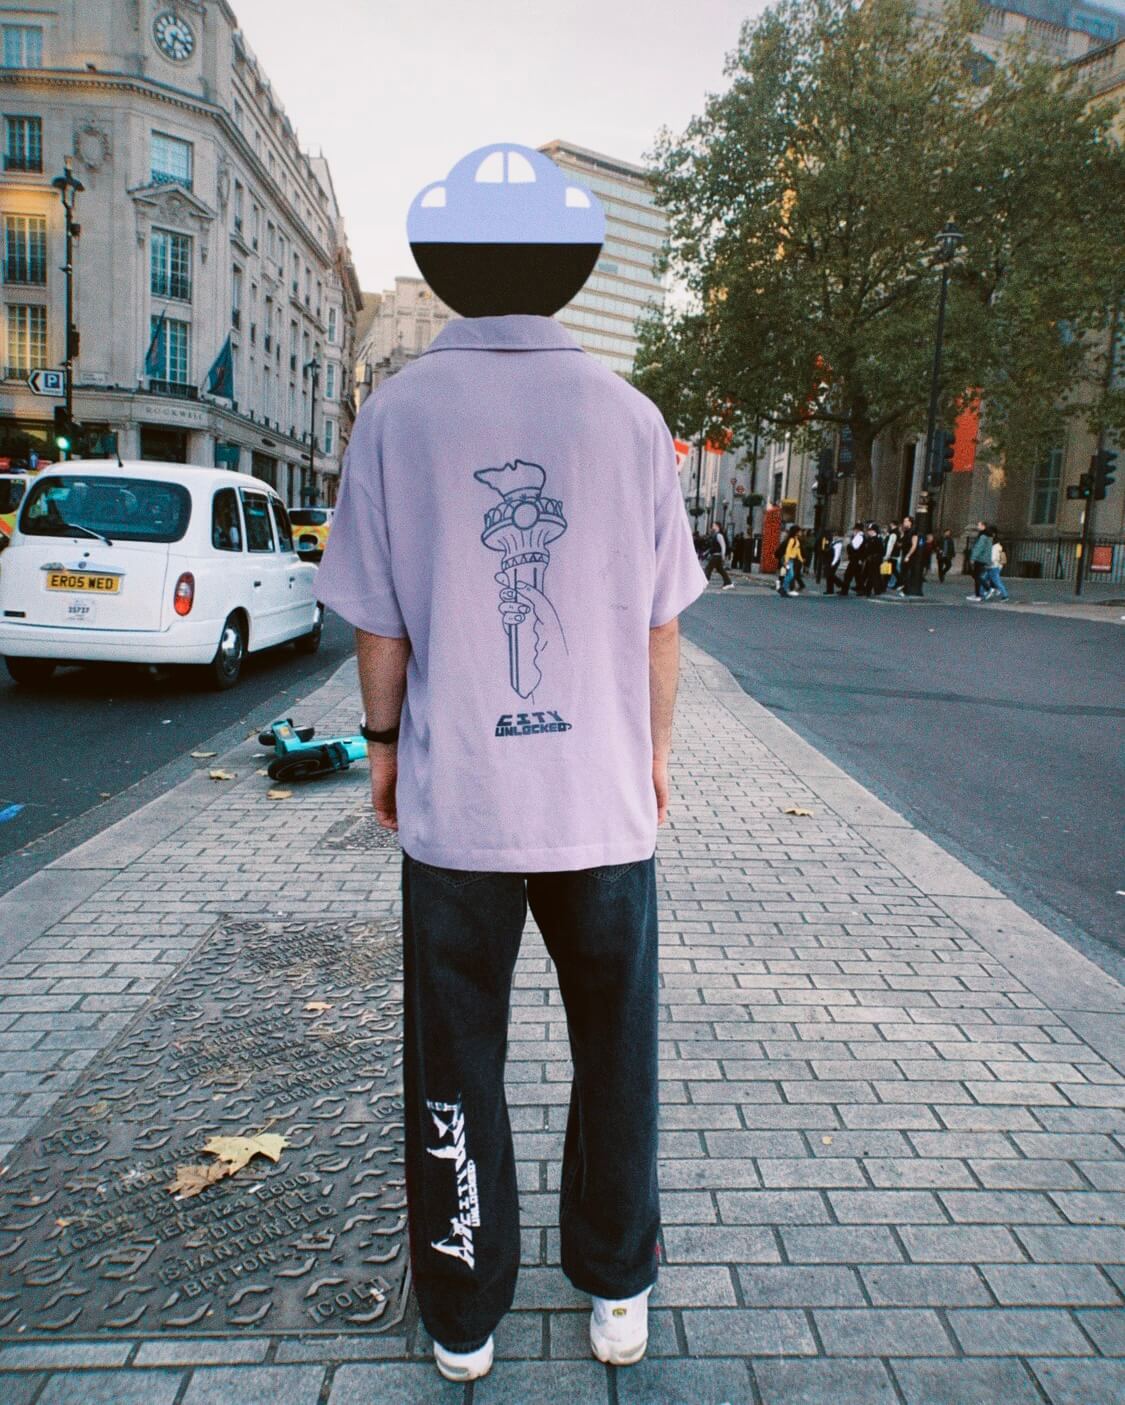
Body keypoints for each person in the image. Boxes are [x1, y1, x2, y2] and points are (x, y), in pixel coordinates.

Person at [315, 142, 707, 1384]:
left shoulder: (396, 414)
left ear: (449, 269)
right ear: (568, 271)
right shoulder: (631, 419)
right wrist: (652, 756)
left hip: (462, 803)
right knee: (617, 1050)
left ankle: (464, 1305)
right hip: (600, 801)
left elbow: (382, 625)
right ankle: (617, 1283)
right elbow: (661, 625)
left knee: (455, 1055)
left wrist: (385, 747)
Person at [968, 521, 993, 601]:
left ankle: (982, 592)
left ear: (983, 526)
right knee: (977, 576)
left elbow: (979, 548)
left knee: (976, 576)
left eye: (979, 525)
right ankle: (979, 593)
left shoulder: (983, 536)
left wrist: (973, 557)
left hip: (980, 558)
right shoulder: (988, 536)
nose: (977, 526)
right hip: (984, 558)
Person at [704, 521, 734, 589]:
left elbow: (723, 546)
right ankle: (728, 583)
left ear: (717, 526)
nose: (712, 526)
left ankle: (705, 582)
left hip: (717, 556)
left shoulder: (719, 535)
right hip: (716, 555)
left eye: (713, 525)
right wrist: (706, 552)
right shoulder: (715, 534)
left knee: (708, 568)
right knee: (720, 569)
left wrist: (723, 556)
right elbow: (713, 546)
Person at [838, 523, 866, 596]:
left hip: (855, 558)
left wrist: (849, 545)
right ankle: (861, 589)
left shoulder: (859, 537)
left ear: (857, 530)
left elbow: (854, 547)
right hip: (856, 559)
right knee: (857, 575)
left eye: (854, 529)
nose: (853, 531)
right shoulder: (860, 536)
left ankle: (845, 590)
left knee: (849, 575)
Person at [985, 527, 1009, 600]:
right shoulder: (996, 544)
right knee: (986, 579)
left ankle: (1004, 594)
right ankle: (990, 591)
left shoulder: (995, 546)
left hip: (993, 566)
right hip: (993, 566)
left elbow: (993, 557)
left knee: (995, 580)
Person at [779, 524, 804, 596]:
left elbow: (797, 550)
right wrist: (786, 561)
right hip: (789, 559)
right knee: (791, 575)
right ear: (796, 532)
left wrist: (801, 559)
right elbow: (788, 550)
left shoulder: (796, 540)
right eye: (799, 531)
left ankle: (783, 589)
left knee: (789, 575)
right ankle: (783, 589)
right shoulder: (792, 540)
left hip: (792, 560)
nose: (801, 532)